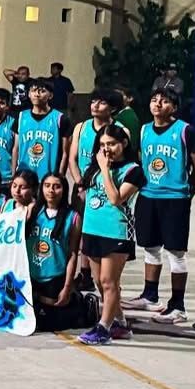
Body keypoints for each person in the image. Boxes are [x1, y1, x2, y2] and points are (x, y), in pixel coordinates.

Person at [121, 90, 195, 325]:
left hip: (175, 198)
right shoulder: (145, 130)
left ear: (174, 108)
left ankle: (178, 305)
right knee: (150, 247)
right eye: (154, 99)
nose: (158, 103)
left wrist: (187, 193)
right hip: (148, 196)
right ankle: (150, 295)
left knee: (175, 252)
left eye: (165, 101)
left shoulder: (185, 131)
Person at [76, 125, 143, 346]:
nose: (106, 149)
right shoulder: (94, 168)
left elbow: (116, 199)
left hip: (116, 231)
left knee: (109, 281)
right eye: (102, 145)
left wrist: (105, 169)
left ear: (123, 144)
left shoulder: (133, 171)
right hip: (93, 228)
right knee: (98, 281)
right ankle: (121, 323)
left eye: (112, 144)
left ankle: (103, 329)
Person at [28, 173, 96, 332]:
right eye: (47, 186)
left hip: (54, 275)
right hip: (30, 275)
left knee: (51, 324)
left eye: (56, 186)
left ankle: (81, 303)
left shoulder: (73, 217)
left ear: (64, 190)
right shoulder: (33, 210)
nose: (51, 190)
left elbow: (73, 254)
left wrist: (67, 286)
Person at [17, 79, 71, 180]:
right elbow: (15, 149)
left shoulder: (60, 119)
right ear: (28, 94)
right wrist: (14, 175)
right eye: (33, 91)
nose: (37, 94)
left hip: (49, 177)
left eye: (42, 91)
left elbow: (65, 153)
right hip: (24, 176)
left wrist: (60, 176)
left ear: (50, 95)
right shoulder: (21, 117)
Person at [69, 89, 123, 188]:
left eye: (102, 103)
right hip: (83, 184)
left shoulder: (121, 130)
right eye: (93, 102)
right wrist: (80, 184)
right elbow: (72, 159)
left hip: (108, 186)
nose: (95, 106)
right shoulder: (81, 127)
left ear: (113, 109)